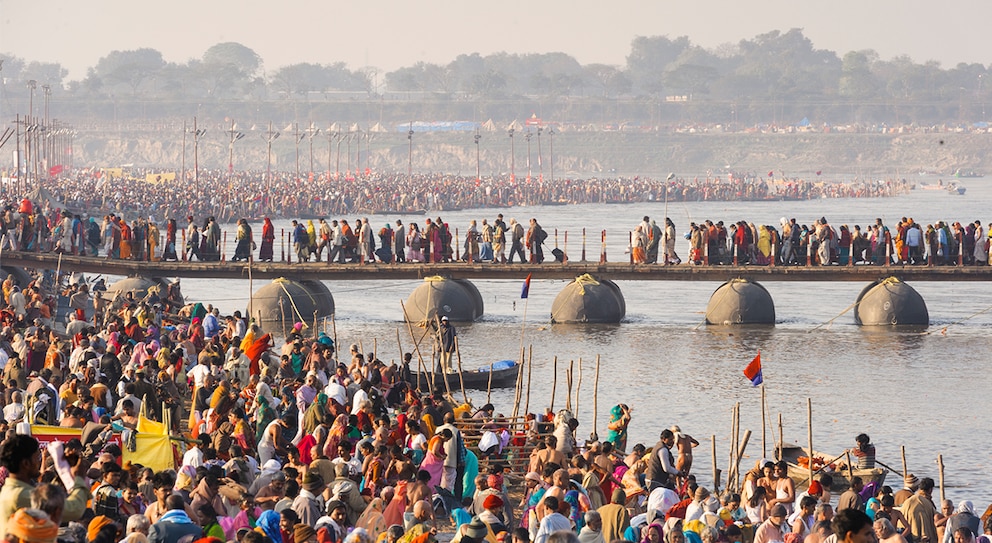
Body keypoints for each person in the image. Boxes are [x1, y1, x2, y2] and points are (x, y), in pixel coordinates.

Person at [0, 434, 41, 536]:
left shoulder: (8, 489)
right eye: (37, 457)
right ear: (26, 463)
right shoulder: (22, 495)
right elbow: (73, 510)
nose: (39, 461)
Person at [903, 477, 938, 543]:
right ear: (930, 489)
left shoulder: (909, 500)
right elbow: (935, 516)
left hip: (909, 534)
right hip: (924, 535)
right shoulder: (927, 502)